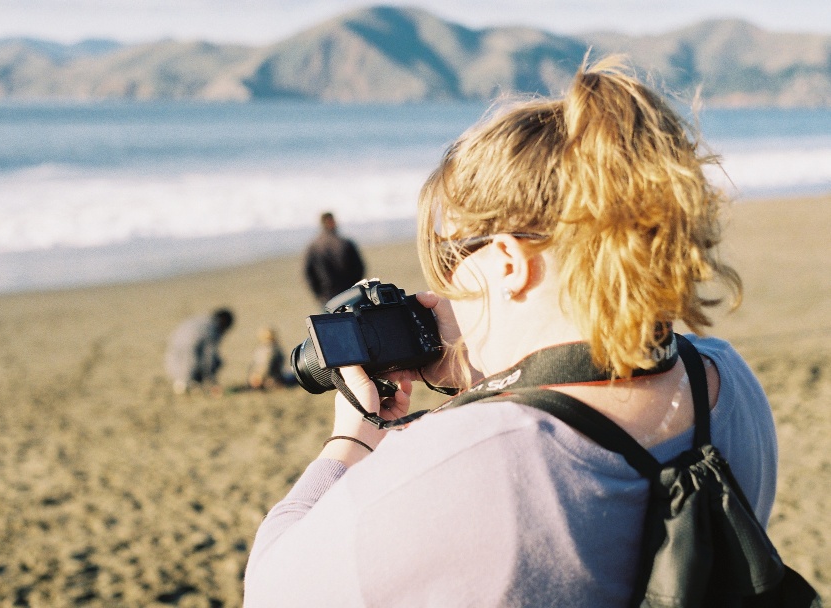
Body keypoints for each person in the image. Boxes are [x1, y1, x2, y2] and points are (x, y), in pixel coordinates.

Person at [243, 56, 778, 606]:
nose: (442, 289)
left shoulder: (469, 459)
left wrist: (354, 437)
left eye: (451, 259)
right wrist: (496, 375)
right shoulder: (727, 380)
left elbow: (270, 590)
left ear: (507, 262)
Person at [164, 308, 234, 395]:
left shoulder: (200, 320)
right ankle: (187, 383)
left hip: (172, 362)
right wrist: (213, 382)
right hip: (187, 364)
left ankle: (183, 383)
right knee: (217, 362)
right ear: (224, 322)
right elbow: (209, 358)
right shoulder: (212, 329)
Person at [303, 211, 366, 306]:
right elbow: (359, 268)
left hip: (328, 298)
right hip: (348, 295)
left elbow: (308, 274)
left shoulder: (314, 246)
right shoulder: (345, 243)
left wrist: (319, 295)